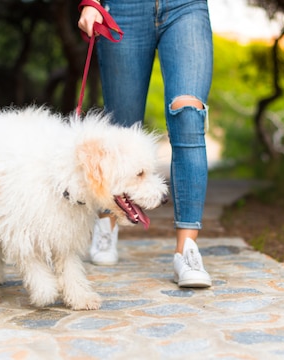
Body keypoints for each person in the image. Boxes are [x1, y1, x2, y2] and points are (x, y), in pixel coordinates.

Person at [78, 0, 213, 287]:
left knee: (189, 115)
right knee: (121, 128)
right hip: (124, 9)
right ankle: (107, 223)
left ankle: (186, 251)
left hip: (186, 7)